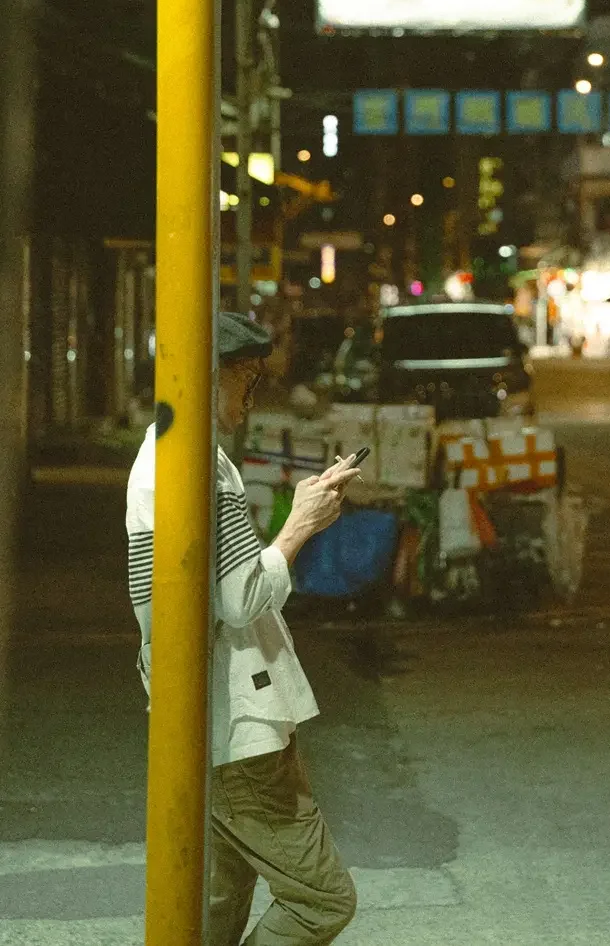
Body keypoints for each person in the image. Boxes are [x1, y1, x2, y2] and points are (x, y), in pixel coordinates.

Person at [126, 311, 361, 946]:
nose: (252, 396)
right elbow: (241, 597)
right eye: (246, 379)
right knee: (321, 900)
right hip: (239, 723)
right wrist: (300, 524)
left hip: (205, 716)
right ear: (208, 379)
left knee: (217, 901)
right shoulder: (196, 466)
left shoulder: (168, 454)